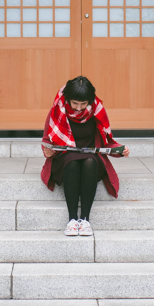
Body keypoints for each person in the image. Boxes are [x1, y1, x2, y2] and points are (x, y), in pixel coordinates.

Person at [40, 76, 130, 237]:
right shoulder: (57, 109)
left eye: (84, 104)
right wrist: (47, 151)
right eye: (75, 103)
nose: (79, 108)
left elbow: (107, 141)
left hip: (91, 156)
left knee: (89, 162)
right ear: (68, 99)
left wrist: (120, 150)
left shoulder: (97, 110)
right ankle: (72, 220)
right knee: (73, 162)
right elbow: (47, 140)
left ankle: (85, 220)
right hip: (65, 157)